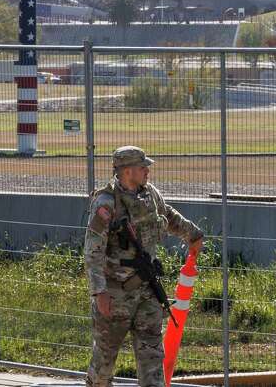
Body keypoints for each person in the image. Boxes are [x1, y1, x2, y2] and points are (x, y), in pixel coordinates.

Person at [84, 146, 204, 387]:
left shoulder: (149, 194)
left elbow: (167, 215)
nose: (147, 170)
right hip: (115, 296)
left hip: (146, 291)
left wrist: (192, 234)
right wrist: (100, 292)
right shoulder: (106, 204)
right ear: (128, 171)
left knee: (152, 359)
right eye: (142, 167)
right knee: (104, 363)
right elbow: (92, 252)